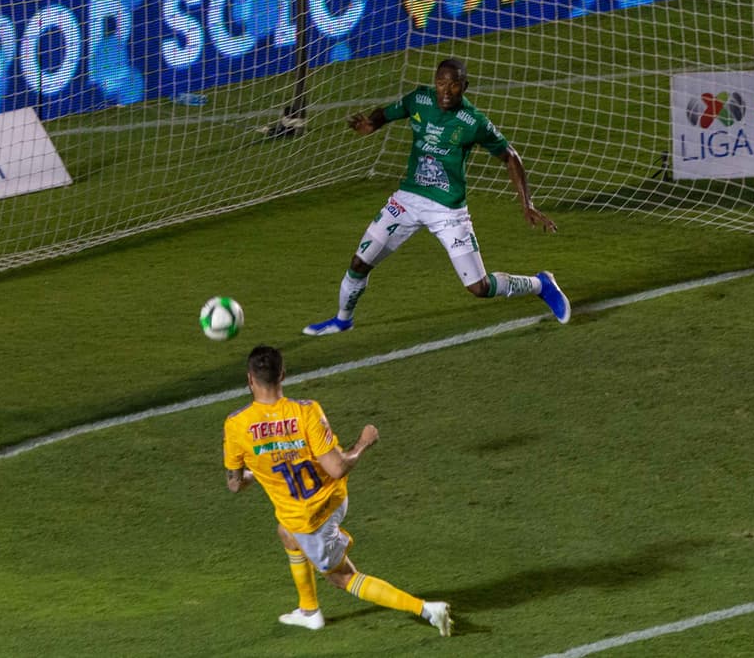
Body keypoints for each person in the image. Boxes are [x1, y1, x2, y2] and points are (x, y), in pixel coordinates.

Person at [302, 58, 570, 336]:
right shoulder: (419, 99)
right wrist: (371, 125)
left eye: (454, 85)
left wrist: (527, 203)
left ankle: (541, 284)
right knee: (359, 262)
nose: (446, 90)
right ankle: (342, 319)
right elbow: (390, 112)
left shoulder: (473, 121)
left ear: (464, 87)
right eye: (441, 83)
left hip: (447, 210)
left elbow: (510, 157)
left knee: (479, 287)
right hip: (407, 200)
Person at [222, 345, 453, 636]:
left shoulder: (236, 425)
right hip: (335, 498)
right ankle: (309, 611)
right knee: (285, 533)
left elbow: (234, 484)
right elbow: (337, 468)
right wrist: (363, 442)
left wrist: (259, 468)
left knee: (344, 578)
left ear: (249, 380)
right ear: (282, 375)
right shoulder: (307, 411)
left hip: (309, 520)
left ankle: (427, 610)